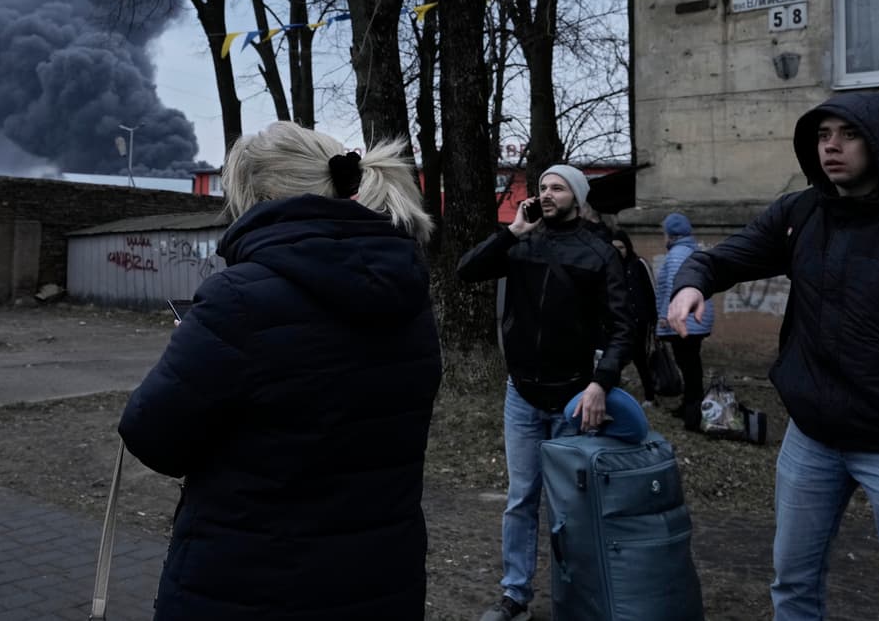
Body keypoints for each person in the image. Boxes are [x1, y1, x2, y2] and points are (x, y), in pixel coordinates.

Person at [666, 91, 879, 621]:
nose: (831, 147)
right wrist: (690, 283)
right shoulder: (801, 212)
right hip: (811, 439)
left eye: (849, 134)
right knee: (792, 583)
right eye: (822, 135)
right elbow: (725, 258)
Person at [118, 121, 441, 621]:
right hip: (380, 579)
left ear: (260, 197)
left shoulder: (238, 298)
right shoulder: (409, 292)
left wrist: (195, 351)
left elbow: (151, 435)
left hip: (251, 582)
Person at [458, 164, 634, 621]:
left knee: (570, 508)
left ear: (577, 196)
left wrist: (601, 383)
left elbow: (624, 329)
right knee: (521, 499)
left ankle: (574, 601)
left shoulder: (599, 253)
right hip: (522, 394)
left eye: (558, 187)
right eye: (543, 187)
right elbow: (466, 271)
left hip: (575, 399)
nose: (548, 193)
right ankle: (515, 596)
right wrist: (511, 232)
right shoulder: (522, 243)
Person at [655, 213, 714, 431]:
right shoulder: (692, 251)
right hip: (694, 319)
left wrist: (664, 316)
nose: (663, 237)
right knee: (691, 365)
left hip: (684, 319)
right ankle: (689, 406)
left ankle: (693, 413)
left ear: (672, 235)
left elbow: (675, 287)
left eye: (664, 233)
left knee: (689, 366)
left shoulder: (677, 255)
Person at [612, 229, 658, 406]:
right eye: (614, 248)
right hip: (618, 322)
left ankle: (650, 396)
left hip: (639, 322)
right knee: (615, 359)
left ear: (628, 247)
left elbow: (650, 292)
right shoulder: (610, 267)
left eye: (621, 247)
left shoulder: (638, 264)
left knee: (640, 359)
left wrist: (654, 320)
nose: (618, 252)